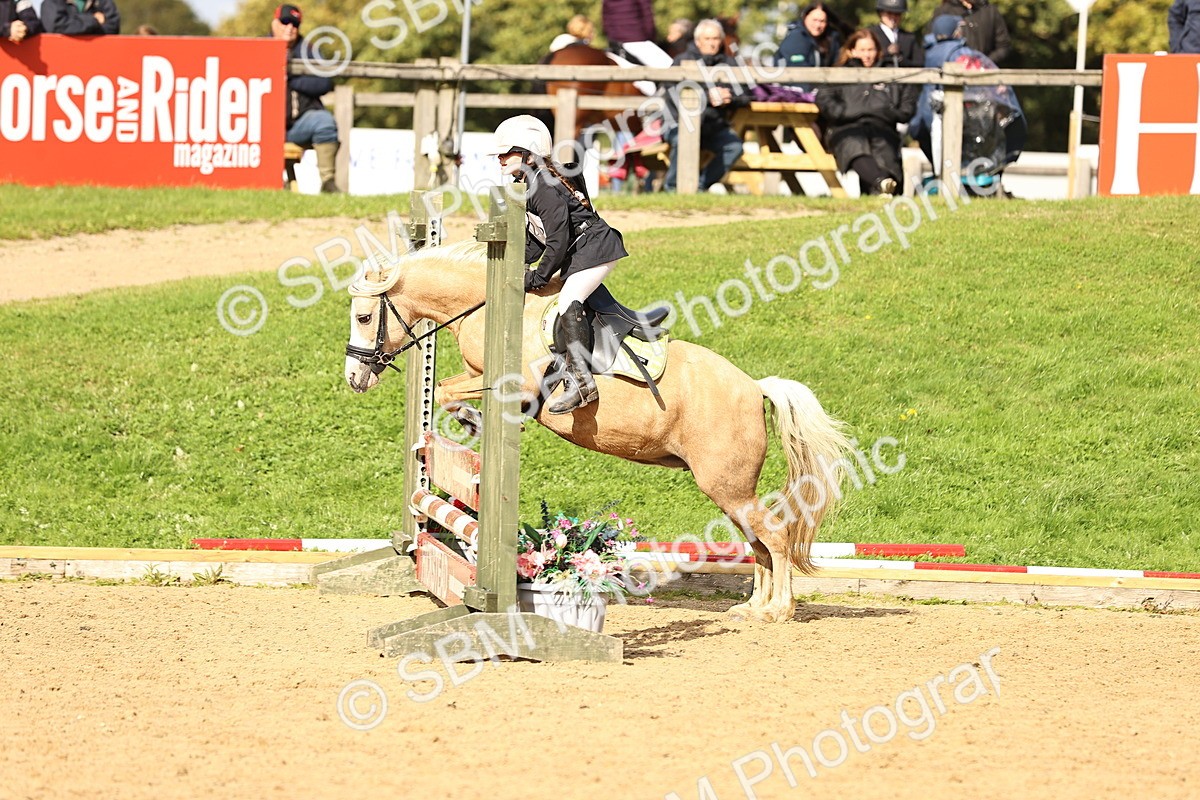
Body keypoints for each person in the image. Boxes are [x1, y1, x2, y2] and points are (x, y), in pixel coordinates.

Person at [490, 115, 629, 414]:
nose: (500, 159)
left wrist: (538, 277)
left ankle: (583, 382)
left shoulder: (543, 186)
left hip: (596, 249)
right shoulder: (531, 182)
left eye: (506, 153)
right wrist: (508, 264)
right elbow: (537, 241)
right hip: (582, 251)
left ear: (527, 151)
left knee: (568, 299)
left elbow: (558, 240)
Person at [909, 15, 1025, 189]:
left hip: (926, 117)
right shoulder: (961, 54)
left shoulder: (930, 51)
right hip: (957, 117)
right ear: (955, 31)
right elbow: (985, 79)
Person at [815, 29, 918, 196]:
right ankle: (882, 182)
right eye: (862, 50)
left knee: (885, 149)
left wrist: (885, 111)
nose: (867, 55)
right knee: (854, 145)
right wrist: (848, 112)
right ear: (852, 50)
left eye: (870, 50)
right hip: (845, 128)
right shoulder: (838, 73)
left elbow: (907, 108)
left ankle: (884, 189)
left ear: (878, 50)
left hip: (883, 128)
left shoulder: (891, 73)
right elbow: (825, 100)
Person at [662, 19, 750, 193]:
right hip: (680, 124)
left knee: (735, 147)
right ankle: (671, 189)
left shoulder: (730, 63)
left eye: (716, 39)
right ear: (698, 41)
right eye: (708, 39)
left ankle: (700, 186)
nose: (712, 43)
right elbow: (671, 93)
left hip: (713, 127)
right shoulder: (682, 60)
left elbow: (747, 94)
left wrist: (730, 98)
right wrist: (706, 97)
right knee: (682, 139)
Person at [272, 4, 341, 193]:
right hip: (264, 126)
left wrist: (291, 78)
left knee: (325, 122)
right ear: (274, 23)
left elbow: (325, 83)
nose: (289, 28)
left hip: (299, 124)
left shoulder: (309, 49)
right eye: (285, 22)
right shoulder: (260, 47)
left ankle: (328, 183)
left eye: (295, 24)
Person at [927, 0, 1010, 65]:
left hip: (984, 75)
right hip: (952, 75)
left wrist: (983, 63)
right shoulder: (943, 11)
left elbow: (1003, 45)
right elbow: (931, 45)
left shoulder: (990, 11)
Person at [601, 0, 672, 67]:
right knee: (669, 66)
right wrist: (651, 38)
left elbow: (606, 22)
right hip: (638, 39)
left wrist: (612, 39)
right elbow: (647, 16)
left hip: (616, 43)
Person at [777, 3, 842, 70]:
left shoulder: (831, 38)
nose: (818, 25)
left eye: (822, 21)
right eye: (814, 20)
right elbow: (798, 69)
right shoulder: (796, 37)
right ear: (805, 17)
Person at [868, 0, 923, 68]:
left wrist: (901, 59)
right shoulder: (870, 34)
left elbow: (919, 63)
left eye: (897, 14)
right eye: (889, 13)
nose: (893, 17)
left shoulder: (909, 37)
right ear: (880, 13)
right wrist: (886, 53)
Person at [40, 0, 119, 35]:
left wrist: (72, 22)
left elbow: (112, 28)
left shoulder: (103, 2)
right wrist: (93, 20)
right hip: (62, 60)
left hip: (97, 59)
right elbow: (56, 25)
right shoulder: (51, 2)